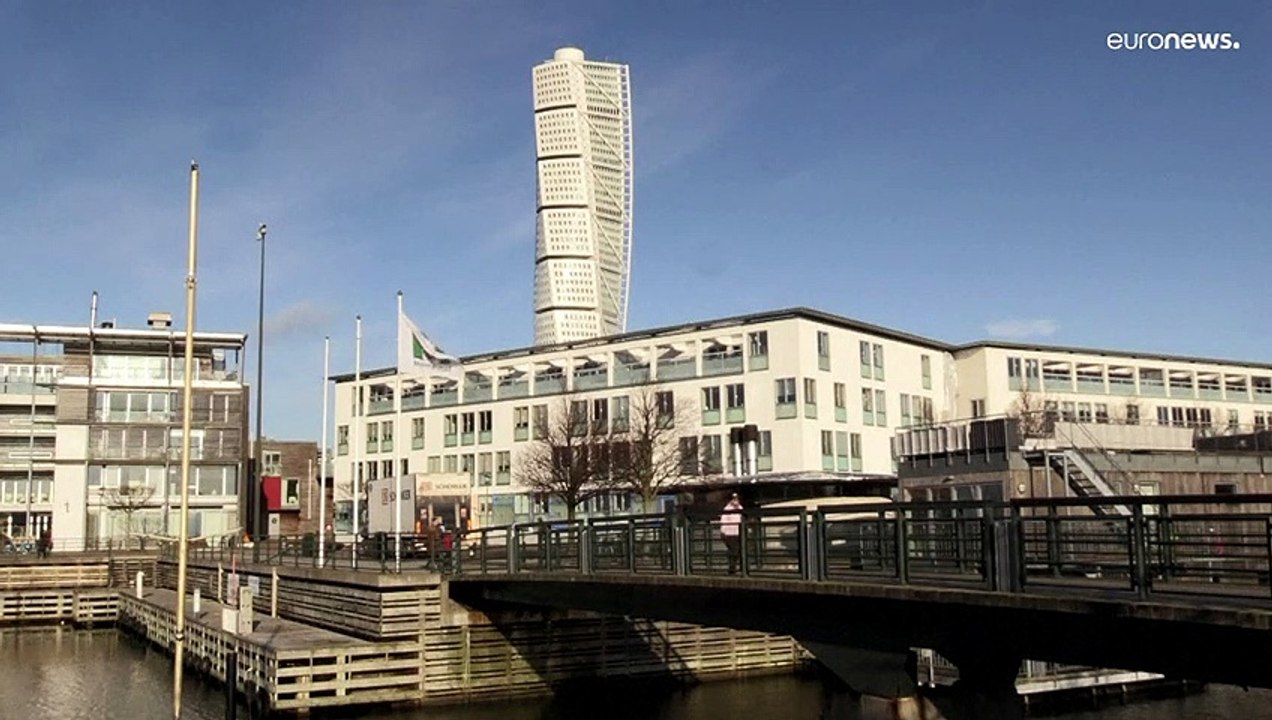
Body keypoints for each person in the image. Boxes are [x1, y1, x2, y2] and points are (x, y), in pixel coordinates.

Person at [719, 493, 743, 575]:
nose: (735, 500)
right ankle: (732, 568)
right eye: (734, 499)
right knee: (734, 550)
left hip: (738, 532)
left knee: (738, 551)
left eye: (736, 498)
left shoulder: (740, 508)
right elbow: (723, 521)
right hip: (730, 533)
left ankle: (735, 567)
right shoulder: (727, 509)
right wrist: (723, 532)